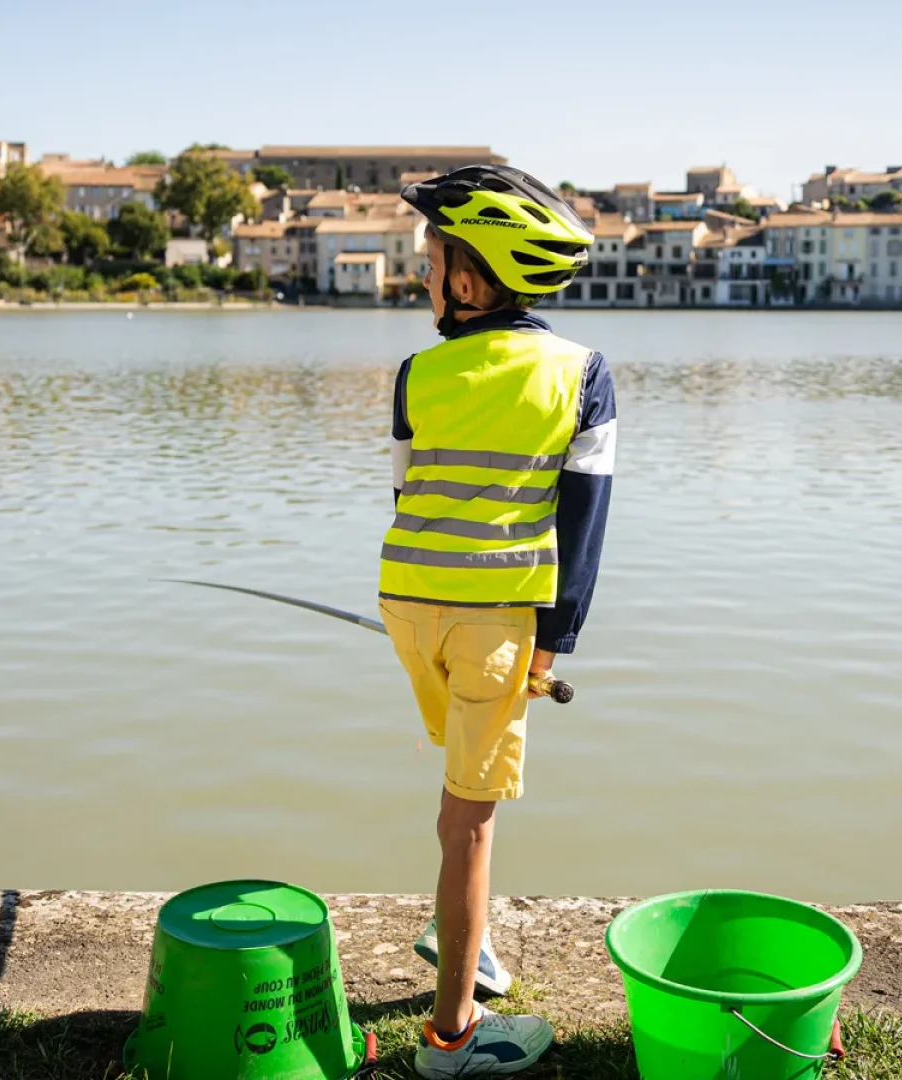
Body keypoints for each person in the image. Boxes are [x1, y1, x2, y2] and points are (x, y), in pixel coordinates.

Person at [379, 165, 615, 1077]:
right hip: (496, 624)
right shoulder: (582, 375)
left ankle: (463, 939)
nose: (425, 278)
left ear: (470, 283)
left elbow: (408, 493)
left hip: (408, 608)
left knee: (456, 796)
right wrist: (555, 640)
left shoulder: (417, 372)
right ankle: (452, 1040)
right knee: (473, 820)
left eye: (432, 261)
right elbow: (583, 523)